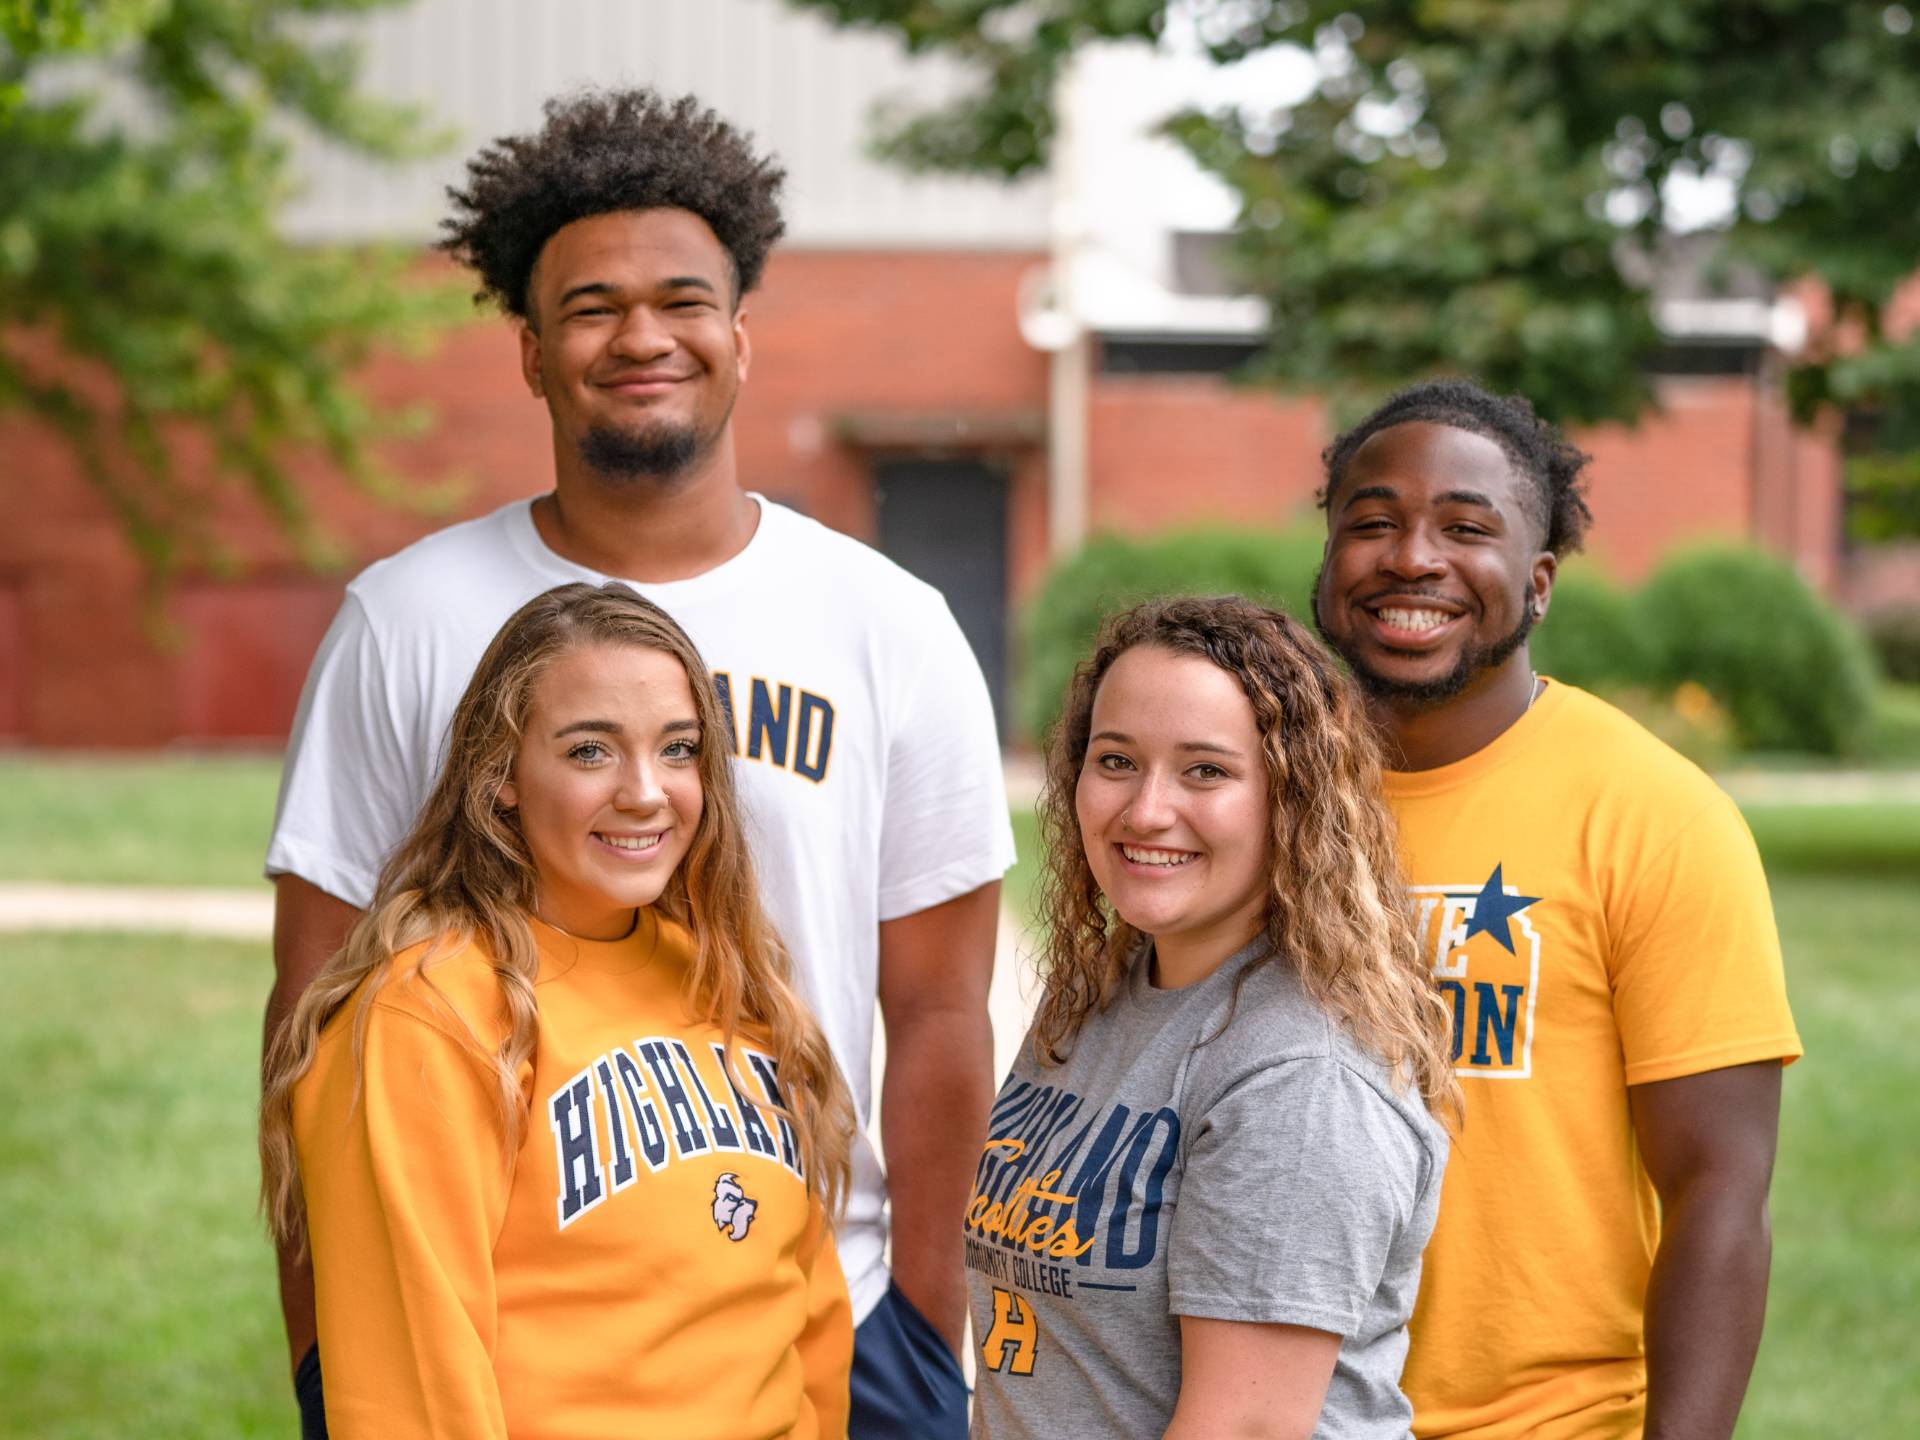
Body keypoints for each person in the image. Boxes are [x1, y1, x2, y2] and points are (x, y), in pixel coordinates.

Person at [264, 89, 1011, 1438]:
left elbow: (945, 1011)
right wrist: (329, 1348)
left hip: (828, 1308)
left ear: (739, 336)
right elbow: (315, 1001)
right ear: (533, 353)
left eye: (682, 298)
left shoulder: (888, 623)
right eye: (591, 307)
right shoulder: (410, 618)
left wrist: (922, 1317)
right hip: (519, 1338)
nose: (641, 336)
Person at [1310, 378, 1803, 1439]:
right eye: (1373, 522)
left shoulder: (1656, 816)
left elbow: (1719, 1190)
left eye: (1465, 528)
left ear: (1538, 584)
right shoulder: (1253, 796)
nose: (1411, 557)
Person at [258, 582, 854, 1437]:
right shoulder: (431, 1013)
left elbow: (807, 1322)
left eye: (678, 749)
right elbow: (416, 1394)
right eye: (589, 752)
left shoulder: (731, 985)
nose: (646, 792)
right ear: (499, 775)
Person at [966, 595, 1458, 1439]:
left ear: (1292, 799)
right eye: (1116, 760)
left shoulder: (1300, 1079)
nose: (1148, 810)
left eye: (1206, 771)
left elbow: (1245, 1429)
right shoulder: (1104, 989)